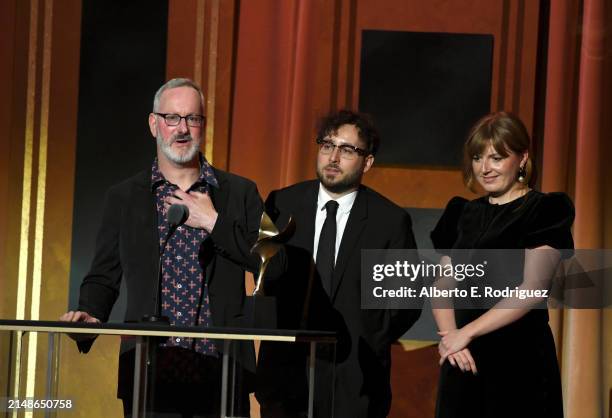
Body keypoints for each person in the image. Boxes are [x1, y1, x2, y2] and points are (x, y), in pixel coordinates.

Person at [60, 78, 263, 417]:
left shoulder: (238, 193)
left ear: (203, 126)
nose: (182, 129)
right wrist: (89, 314)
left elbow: (271, 263)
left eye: (192, 119)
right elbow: (103, 276)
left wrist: (215, 223)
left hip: (223, 372)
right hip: (149, 373)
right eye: (172, 118)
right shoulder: (124, 197)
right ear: (154, 124)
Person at [256, 110, 422, 418]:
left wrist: (369, 339)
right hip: (285, 377)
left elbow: (406, 302)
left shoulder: (390, 221)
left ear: (367, 161)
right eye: (326, 146)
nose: (333, 157)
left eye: (346, 150)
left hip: (355, 382)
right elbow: (262, 276)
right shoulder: (282, 203)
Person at [430, 111, 574, 418]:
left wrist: (466, 333)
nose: (485, 168)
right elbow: (442, 283)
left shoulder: (545, 210)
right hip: (462, 357)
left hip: (518, 358)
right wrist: (451, 339)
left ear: (522, 159)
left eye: (496, 158)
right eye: (478, 157)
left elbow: (533, 288)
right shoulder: (461, 212)